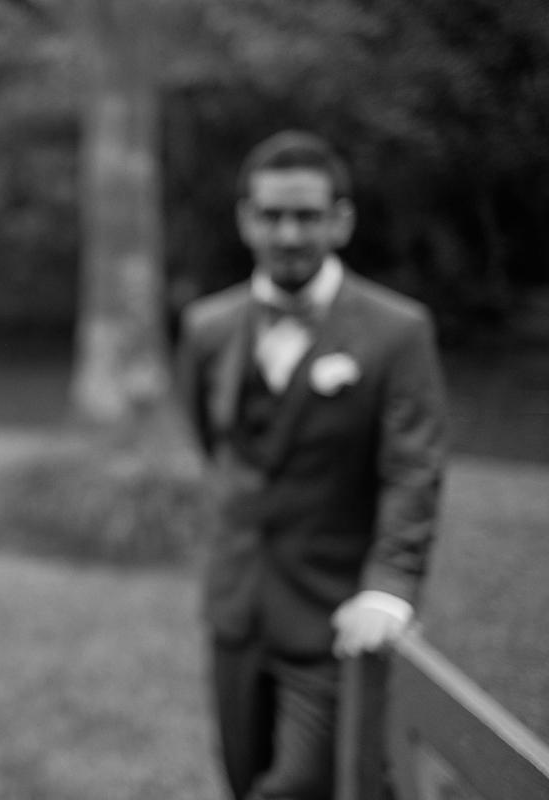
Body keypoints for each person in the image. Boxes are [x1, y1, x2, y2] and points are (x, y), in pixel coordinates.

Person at [176, 130, 447, 800]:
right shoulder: (207, 327)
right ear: (245, 219)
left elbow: (413, 470)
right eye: (271, 215)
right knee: (243, 780)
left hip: (334, 616)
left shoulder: (398, 332)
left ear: (341, 220)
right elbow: (219, 444)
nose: (289, 234)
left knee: (299, 787)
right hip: (235, 611)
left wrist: (390, 586)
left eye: (307, 216)